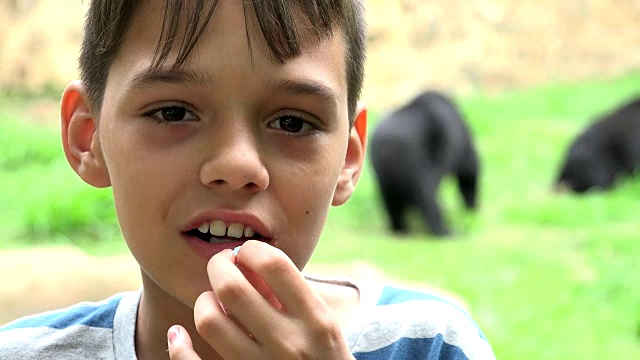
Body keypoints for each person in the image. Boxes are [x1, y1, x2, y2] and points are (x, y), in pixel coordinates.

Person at [0, 0, 495, 359]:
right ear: (89, 138)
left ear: (347, 155)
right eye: (173, 111)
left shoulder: (433, 345)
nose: (236, 166)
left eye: (293, 123)